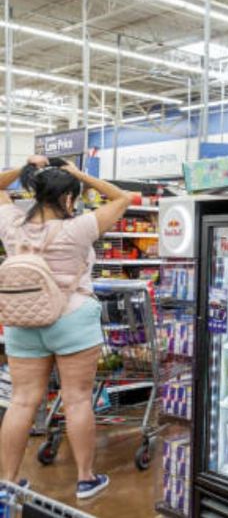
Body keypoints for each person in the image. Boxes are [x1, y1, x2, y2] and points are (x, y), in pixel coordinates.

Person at [0, 155, 132, 499]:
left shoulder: (11, 224)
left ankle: (9, 482)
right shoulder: (79, 227)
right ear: (69, 198)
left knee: (22, 401)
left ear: (34, 192)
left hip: (23, 319)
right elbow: (122, 198)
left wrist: (25, 169)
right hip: (72, 318)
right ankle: (86, 479)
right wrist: (81, 174)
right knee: (76, 401)